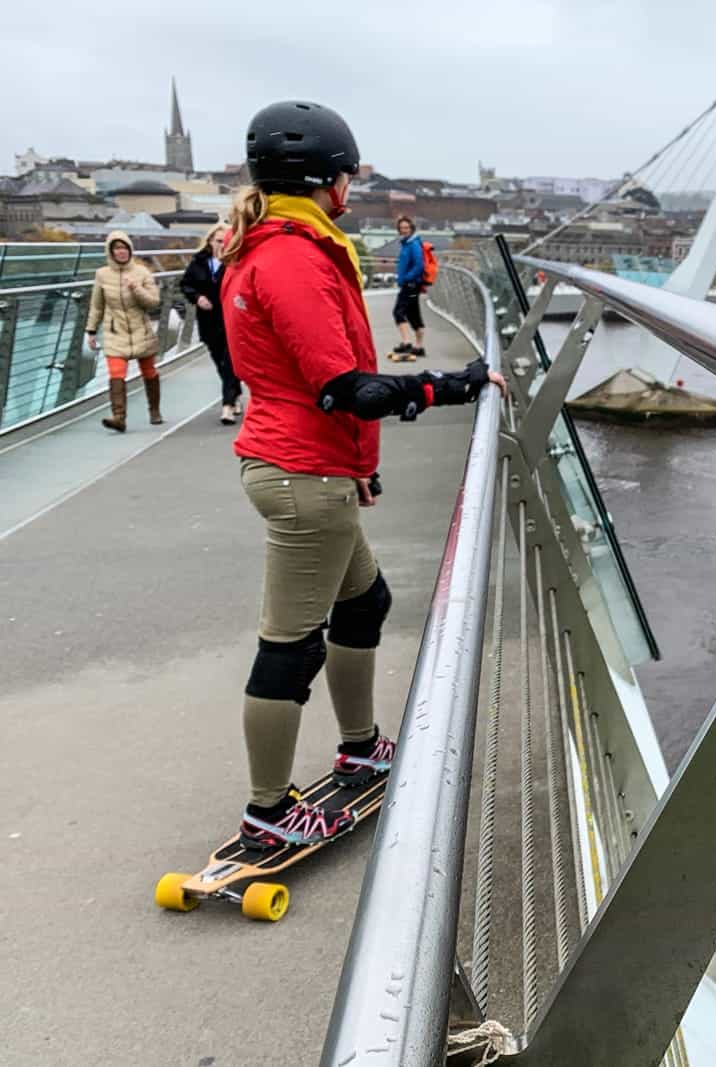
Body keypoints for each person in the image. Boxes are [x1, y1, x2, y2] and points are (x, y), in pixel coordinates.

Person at [221, 100, 504, 849]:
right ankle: (267, 813)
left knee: (365, 601)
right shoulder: (291, 259)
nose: (351, 187)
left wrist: (361, 467)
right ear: (327, 180)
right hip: (303, 475)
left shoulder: (272, 244)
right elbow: (350, 388)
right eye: (348, 175)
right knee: (291, 645)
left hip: (312, 467)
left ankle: (358, 743)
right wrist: (455, 384)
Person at [85, 231, 163, 432]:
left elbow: (154, 302)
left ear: (130, 250)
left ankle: (154, 411)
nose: (121, 252)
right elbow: (97, 306)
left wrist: (136, 288)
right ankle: (119, 417)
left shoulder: (142, 272)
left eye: (124, 248)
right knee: (116, 374)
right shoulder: (102, 274)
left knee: (149, 372)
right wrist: (91, 330)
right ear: (110, 251)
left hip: (140, 329)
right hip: (115, 331)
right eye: (117, 248)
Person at [181, 223, 243, 424]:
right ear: (209, 242)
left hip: (230, 319)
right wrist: (197, 297)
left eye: (225, 240)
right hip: (208, 320)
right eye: (218, 241)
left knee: (230, 360)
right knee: (219, 360)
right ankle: (235, 393)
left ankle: (227, 406)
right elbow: (186, 285)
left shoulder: (235, 261)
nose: (222, 244)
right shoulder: (199, 262)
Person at [389, 215, 427, 361]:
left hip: (410, 285)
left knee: (398, 312)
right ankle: (419, 347)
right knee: (413, 314)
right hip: (410, 285)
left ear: (411, 229)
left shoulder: (413, 245)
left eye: (406, 228)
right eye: (401, 228)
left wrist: (406, 278)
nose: (404, 230)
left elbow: (419, 265)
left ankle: (407, 343)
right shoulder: (407, 244)